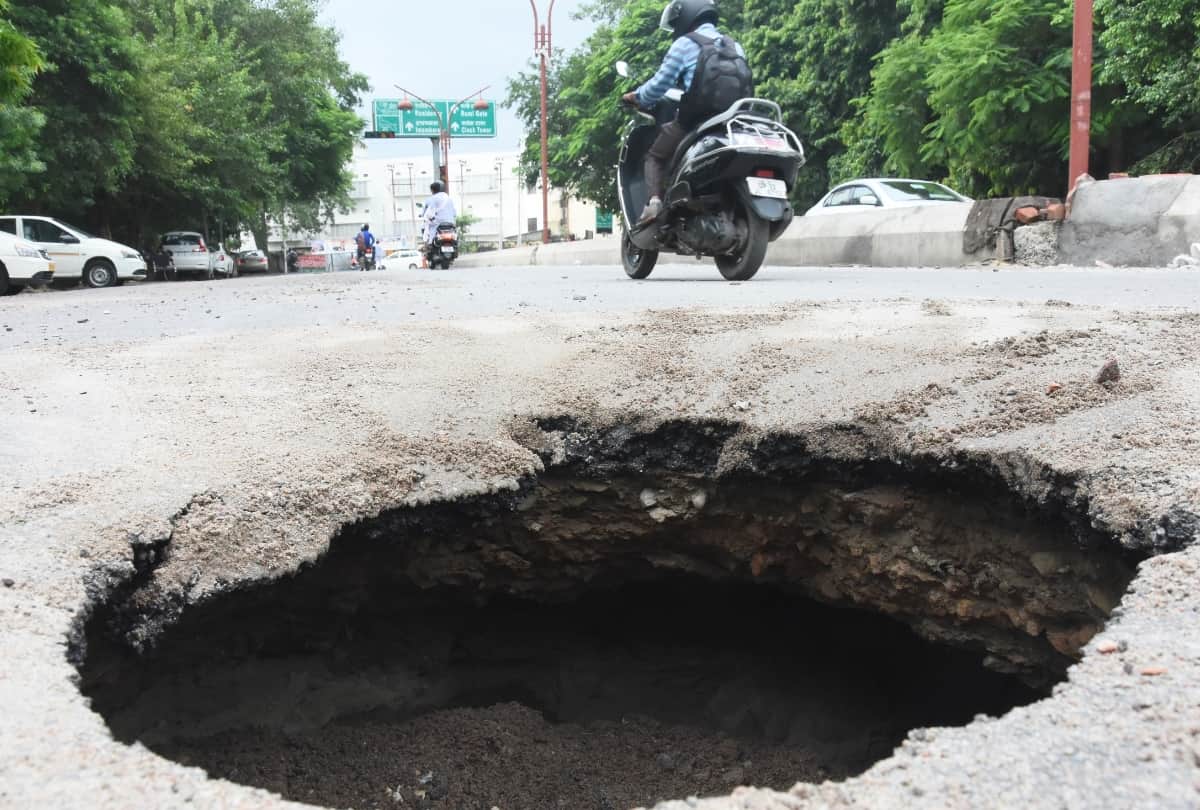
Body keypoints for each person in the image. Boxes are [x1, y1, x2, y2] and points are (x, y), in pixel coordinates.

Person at [622, 0, 751, 225]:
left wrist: (636, 97)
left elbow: (660, 84)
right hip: (735, 120)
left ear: (686, 17)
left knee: (654, 156)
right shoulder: (735, 45)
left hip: (697, 121)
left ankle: (654, 204)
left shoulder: (685, 44)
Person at [421, 181, 457, 248]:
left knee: (426, 226)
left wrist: (427, 217)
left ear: (432, 190)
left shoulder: (433, 198)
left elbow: (430, 211)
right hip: (450, 222)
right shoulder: (449, 198)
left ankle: (428, 244)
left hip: (438, 222)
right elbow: (454, 213)